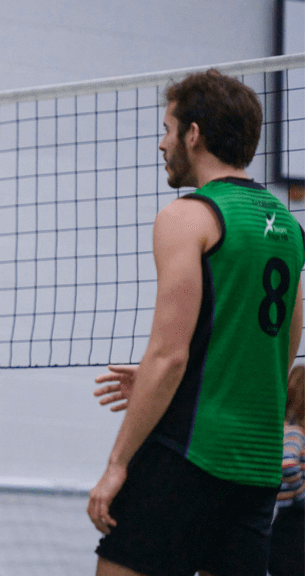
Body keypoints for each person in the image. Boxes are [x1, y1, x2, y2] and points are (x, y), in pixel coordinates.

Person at [88, 69, 305, 576]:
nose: (161, 144)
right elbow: (280, 349)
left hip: (187, 454)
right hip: (255, 470)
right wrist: (178, 383)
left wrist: (116, 465)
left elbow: (170, 354)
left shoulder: (188, 216)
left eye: (167, 128)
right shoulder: (291, 229)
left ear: (193, 134)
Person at [269, 364, 305, 576]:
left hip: (281, 518)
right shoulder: (295, 432)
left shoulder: (279, 430)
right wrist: (302, 496)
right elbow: (288, 463)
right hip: (293, 519)